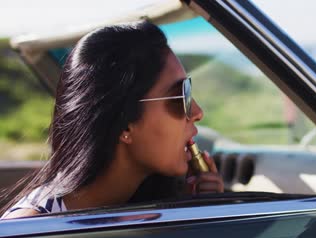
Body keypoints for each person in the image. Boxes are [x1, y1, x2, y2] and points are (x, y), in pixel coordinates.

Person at [0, 21, 224, 219]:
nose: (197, 111)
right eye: (181, 95)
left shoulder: (145, 210)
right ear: (125, 122)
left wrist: (198, 213)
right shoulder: (30, 231)